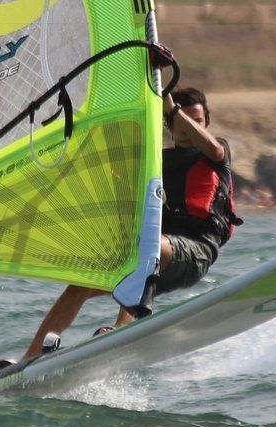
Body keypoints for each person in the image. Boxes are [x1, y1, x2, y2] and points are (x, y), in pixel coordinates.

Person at [19, 85, 240, 362]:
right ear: (169, 127)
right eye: (183, 121)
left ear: (206, 123)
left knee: (145, 250)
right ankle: (29, 358)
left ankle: (122, 328)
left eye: (198, 121)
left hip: (196, 251)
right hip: (158, 258)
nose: (192, 126)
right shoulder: (156, 162)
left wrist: (172, 108)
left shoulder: (217, 153)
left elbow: (213, 147)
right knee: (80, 284)